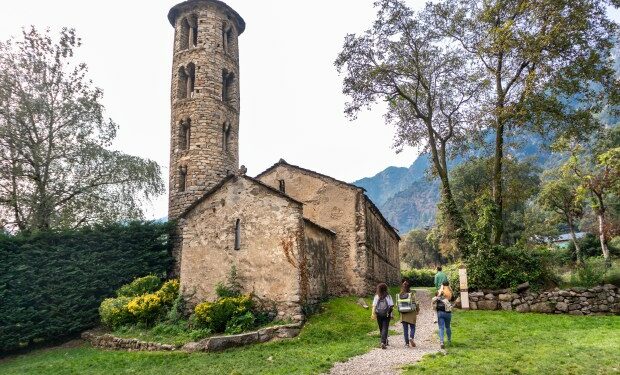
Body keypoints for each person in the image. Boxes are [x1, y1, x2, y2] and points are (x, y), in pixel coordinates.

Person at [396, 280, 419, 348]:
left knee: (405, 330)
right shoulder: (411, 294)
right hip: (411, 313)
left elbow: (397, 305)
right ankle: (411, 337)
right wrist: (417, 310)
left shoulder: (399, 295)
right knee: (412, 327)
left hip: (403, 313)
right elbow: (416, 303)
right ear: (409, 287)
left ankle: (406, 344)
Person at [432, 280, 453, 349]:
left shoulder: (440, 291)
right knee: (448, 327)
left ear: (442, 285)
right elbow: (450, 299)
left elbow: (436, 298)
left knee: (441, 327)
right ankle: (449, 340)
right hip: (448, 312)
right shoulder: (450, 292)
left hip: (440, 312)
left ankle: (441, 341)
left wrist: (441, 289)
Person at [371, 283, 393, 349]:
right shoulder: (388, 296)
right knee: (385, 328)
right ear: (386, 289)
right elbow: (391, 306)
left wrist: (373, 314)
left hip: (379, 314)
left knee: (381, 328)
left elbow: (374, 306)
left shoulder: (377, 296)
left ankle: (384, 341)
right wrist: (391, 314)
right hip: (386, 314)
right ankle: (383, 342)